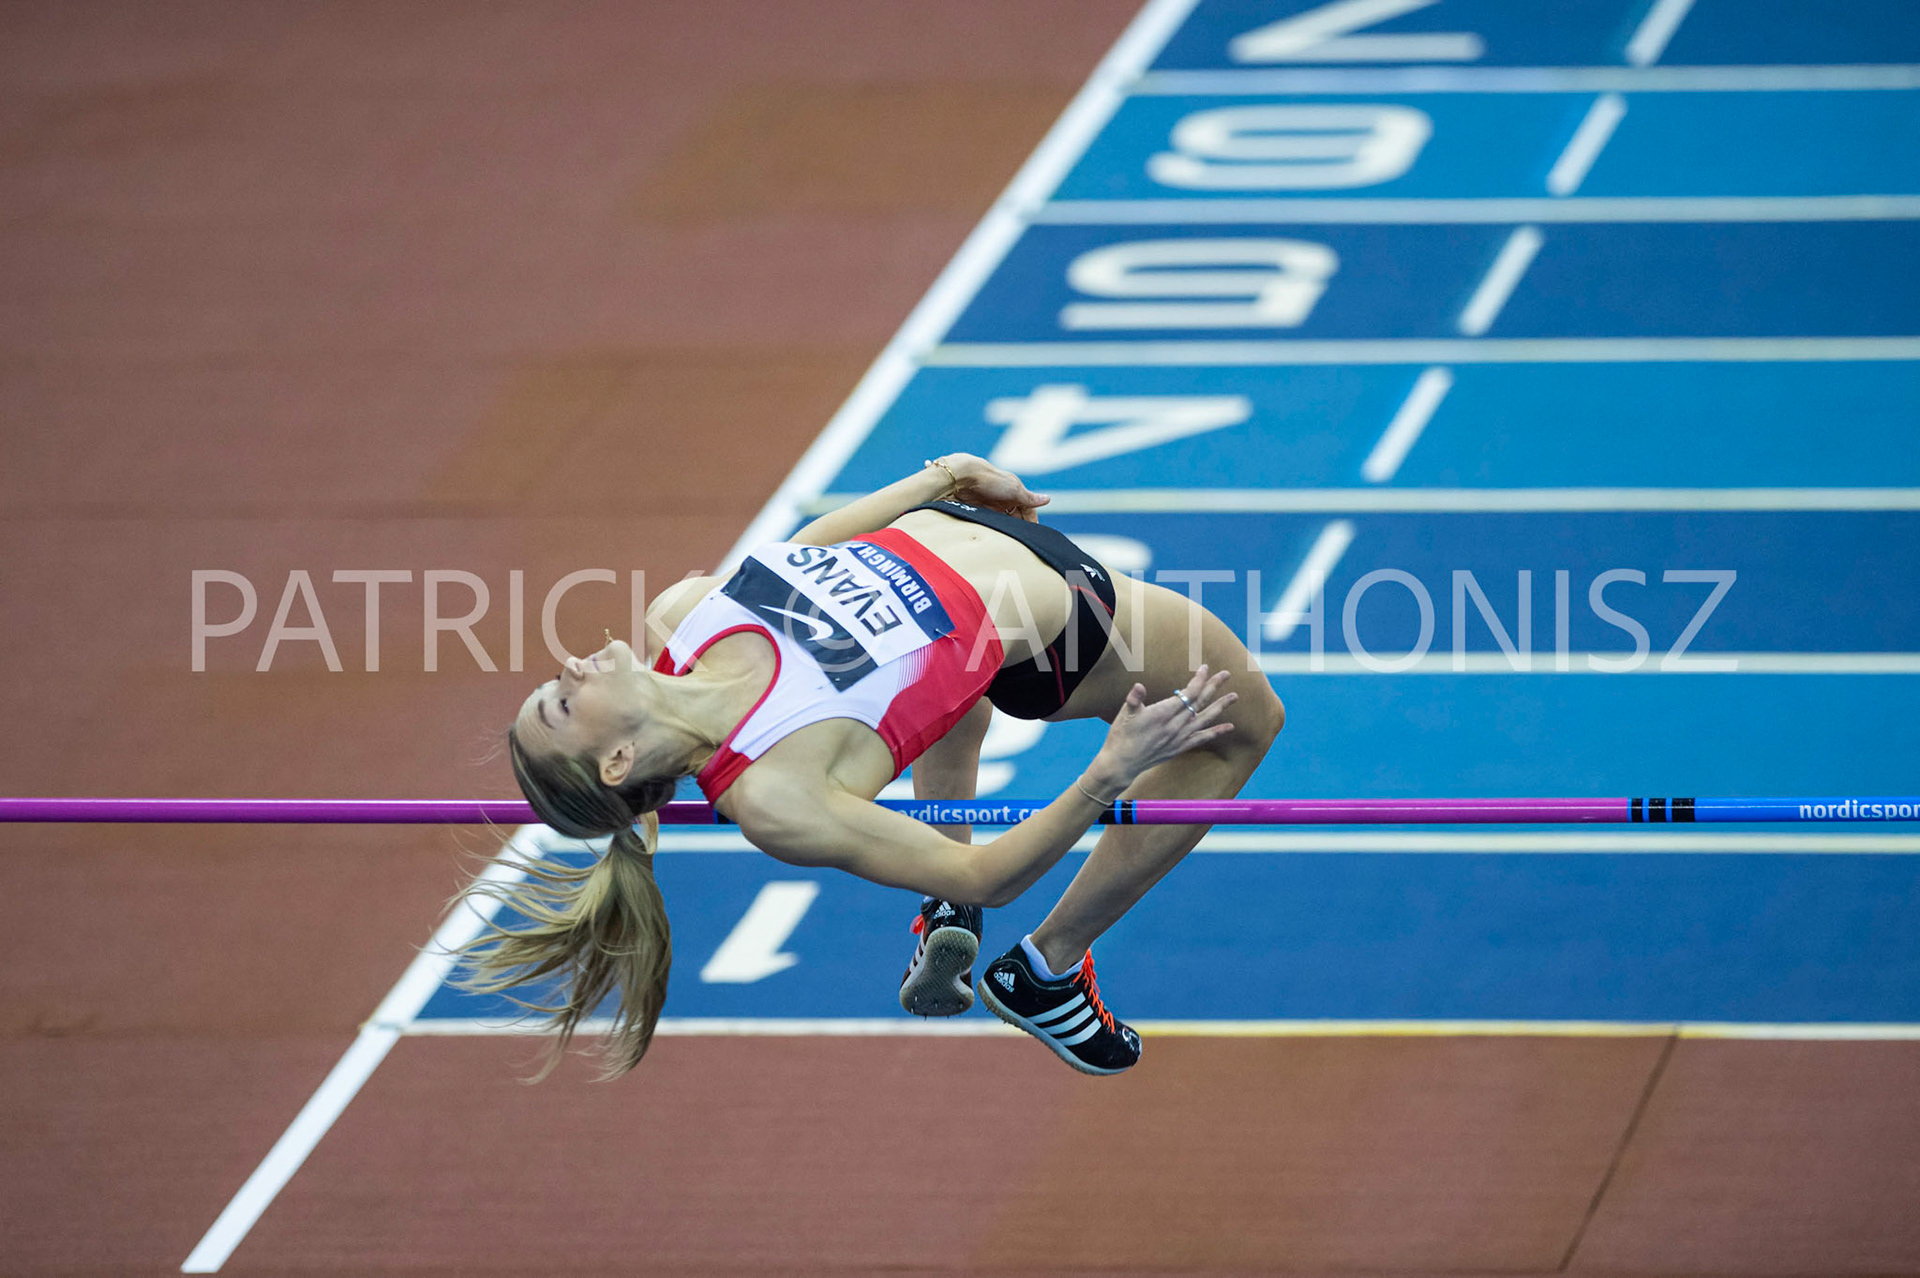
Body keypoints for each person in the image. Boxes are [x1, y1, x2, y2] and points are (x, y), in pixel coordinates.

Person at [461, 453, 1284, 1077]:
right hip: (1070, 618)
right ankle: (1048, 968)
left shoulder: (681, 617)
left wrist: (937, 478)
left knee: (952, 694)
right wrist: (1106, 774)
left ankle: (943, 925)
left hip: (978, 540)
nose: (566, 669)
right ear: (618, 760)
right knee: (1247, 724)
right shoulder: (776, 794)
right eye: (560, 706)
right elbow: (986, 875)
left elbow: (809, 555)